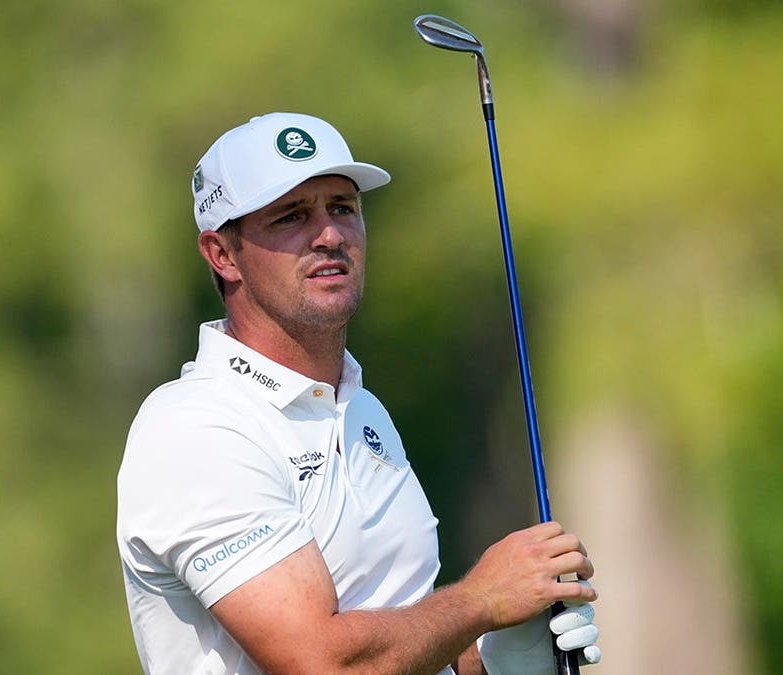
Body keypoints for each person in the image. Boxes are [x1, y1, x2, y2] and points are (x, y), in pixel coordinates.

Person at [116, 112, 602, 674]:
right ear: (222, 254)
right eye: (291, 216)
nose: (330, 236)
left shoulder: (360, 408)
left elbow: (407, 638)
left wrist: (497, 658)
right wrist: (482, 601)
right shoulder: (195, 428)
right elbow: (323, 665)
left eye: (343, 208)